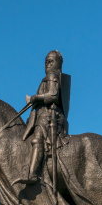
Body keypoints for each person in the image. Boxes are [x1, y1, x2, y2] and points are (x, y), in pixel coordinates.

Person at [14, 50, 68, 186]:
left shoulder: (52, 77)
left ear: (58, 64)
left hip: (49, 116)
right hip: (43, 115)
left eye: (51, 61)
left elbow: (53, 96)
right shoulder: (47, 78)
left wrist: (35, 98)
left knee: (37, 138)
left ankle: (32, 174)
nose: (47, 64)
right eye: (46, 62)